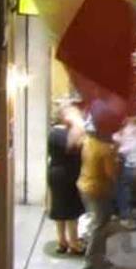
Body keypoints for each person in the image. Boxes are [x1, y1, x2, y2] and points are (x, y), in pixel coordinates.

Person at [77, 118, 120, 269]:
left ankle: (99, 258)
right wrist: (116, 156)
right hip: (98, 189)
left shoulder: (88, 141)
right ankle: (93, 262)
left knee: (98, 224)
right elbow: (112, 173)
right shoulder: (105, 149)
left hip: (85, 185)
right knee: (100, 226)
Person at [45, 103, 87, 256]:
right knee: (71, 210)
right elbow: (74, 146)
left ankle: (62, 242)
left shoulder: (54, 133)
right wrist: (78, 125)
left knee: (60, 208)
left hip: (57, 173)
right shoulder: (62, 134)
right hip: (67, 175)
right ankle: (74, 244)